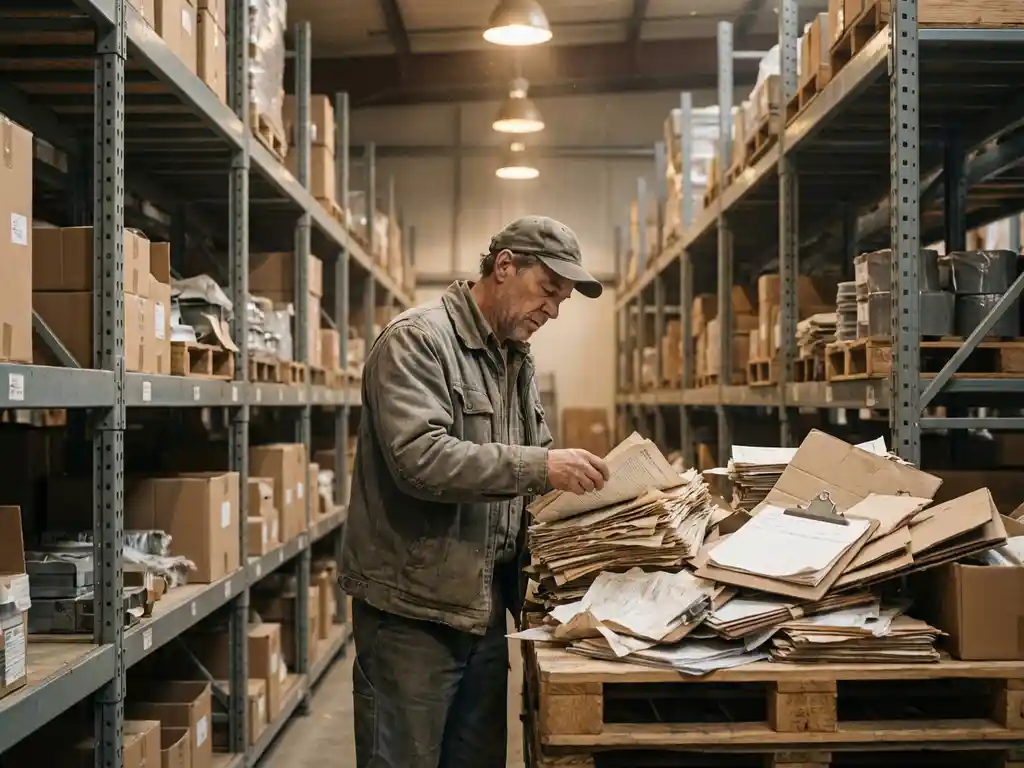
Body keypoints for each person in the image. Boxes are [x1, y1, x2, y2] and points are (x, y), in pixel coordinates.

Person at [339, 215, 612, 768]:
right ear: (504, 266)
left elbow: (531, 465)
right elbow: (420, 460)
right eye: (548, 291)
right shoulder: (418, 340)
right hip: (412, 618)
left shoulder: (515, 358)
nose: (553, 311)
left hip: (484, 614)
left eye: (562, 301)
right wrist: (542, 466)